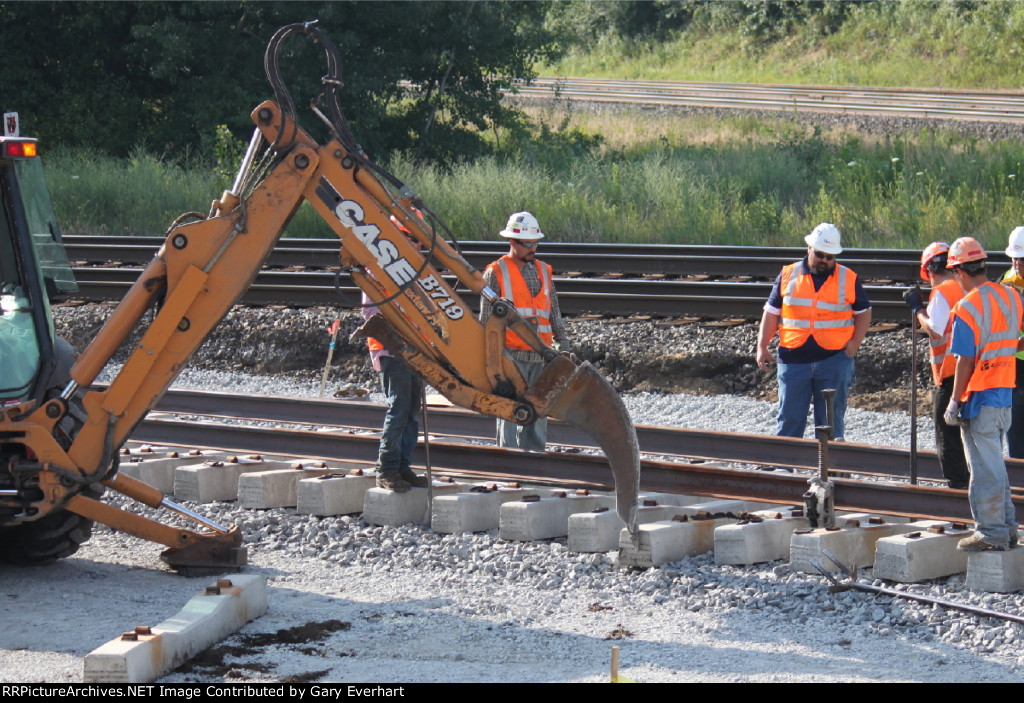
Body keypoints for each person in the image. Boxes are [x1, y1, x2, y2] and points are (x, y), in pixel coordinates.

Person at [756, 223, 872, 441]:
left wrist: (854, 344)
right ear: (809, 248)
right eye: (820, 254)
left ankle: (828, 470)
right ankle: (784, 469)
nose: (824, 261)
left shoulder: (848, 278)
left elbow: (864, 312)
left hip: (834, 360)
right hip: (793, 359)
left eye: (830, 257)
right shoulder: (788, 274)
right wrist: (762, 346)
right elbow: (771, 312)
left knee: (830, 422)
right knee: (789, 419)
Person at [943, 236, 1024, 551]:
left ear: (961, 272)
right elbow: (1016, 340)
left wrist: (954, 401)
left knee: (984, 467)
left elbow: (965, 360)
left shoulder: (967, 306)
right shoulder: (1011, 296)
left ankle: (991, 532)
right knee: (995, 464)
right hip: (1004, 393)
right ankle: (1006, 527)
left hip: (979, 397)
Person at [480, 211, 570, 451]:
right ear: (512, 242)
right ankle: (507, 461)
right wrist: (492, 358)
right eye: (527, 244)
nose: (533, 248)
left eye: (535, 242)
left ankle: (534, 460)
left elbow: (553, 310)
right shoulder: (495, 272)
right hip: (510, 356)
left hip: (541, 356)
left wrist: (562, 340)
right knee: (508, 411)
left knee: (537, 411)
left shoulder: (543, 270)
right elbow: (485, 321)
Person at [903, 242, 970, 488]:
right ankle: (971, 483)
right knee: (969, 432)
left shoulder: (942, 292)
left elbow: (935, 331)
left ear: (930, 270)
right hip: (972, 371)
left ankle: (958, 486)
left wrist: (918, 309)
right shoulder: (967, 286)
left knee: (947, 433)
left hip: (951, 373)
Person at [361, 292, 428, 492]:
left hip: (413, 349)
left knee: (411, 410)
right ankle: (387, 469)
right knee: (399, 409)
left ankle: (401, 467)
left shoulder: (408, 269)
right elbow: (371, 312)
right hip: (391, 349)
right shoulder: (375, 272)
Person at [1000, 226, 1024, 459]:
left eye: (1022, 260)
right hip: (1016, 362)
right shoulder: (1009, 283)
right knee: (1017, 420)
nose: (1018, 265)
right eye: (1015, 260)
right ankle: (1019, 468)